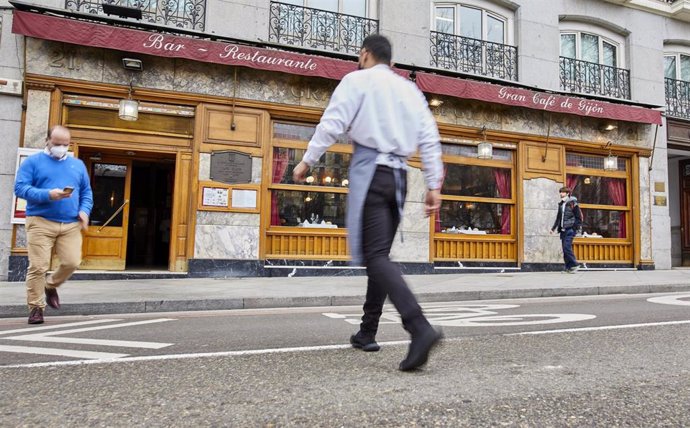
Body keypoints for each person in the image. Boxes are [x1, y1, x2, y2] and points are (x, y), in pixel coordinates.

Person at [292, 34, 444, 371]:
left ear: (365, 54)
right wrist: (434, 184)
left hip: (371, 171)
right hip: (399, 177)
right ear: (391, 60)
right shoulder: (410, 90)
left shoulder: (356, 80)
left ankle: (419, 326)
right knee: (380, 257)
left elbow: (332, 123)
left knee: (374, 257)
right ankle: (367, 332)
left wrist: (307, 161)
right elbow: (429, 137)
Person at [14, 125, 93, 324]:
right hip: (40, 221)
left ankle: (50, 286)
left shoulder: (78, 165)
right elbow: (21, 188)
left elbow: (86, 193)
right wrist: (48, 194)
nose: (61, 148)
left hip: (70, 224)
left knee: (72, 262)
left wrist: (84, 211)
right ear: (47, 141)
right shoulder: (33, 163)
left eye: (65, 144)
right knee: (38, 267)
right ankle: (36, 308)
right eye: (57, 144)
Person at [550, 186, 582, 273]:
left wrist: (575, 228)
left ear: (567, 193)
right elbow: (558, 218)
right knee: (565, 249)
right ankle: (568, 268)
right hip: (563, 230)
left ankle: (575, 264)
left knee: (567, 247)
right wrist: (553, 228)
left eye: (563, 192)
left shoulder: (573, 203)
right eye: (560, 192)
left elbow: (579, 217)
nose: (561, 194)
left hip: (570, 229)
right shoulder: (561, 204)